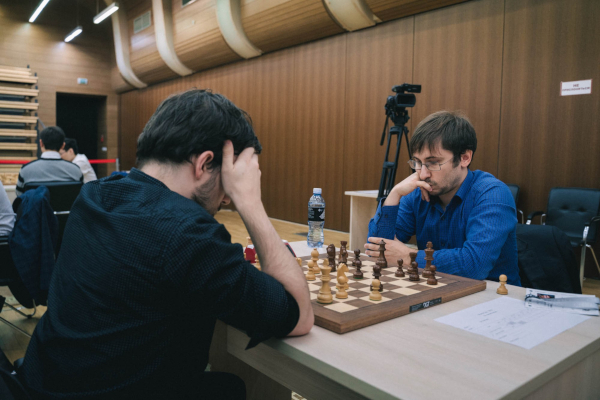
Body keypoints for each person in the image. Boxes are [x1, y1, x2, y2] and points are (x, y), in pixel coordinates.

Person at [20, 90, 314, 399]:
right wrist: (251, 202)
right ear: (204, 164)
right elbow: (298, 314)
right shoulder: (187, 232)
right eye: (229, 182)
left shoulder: (93, 196)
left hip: (41, 383)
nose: (227, 198)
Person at [366, 111, 520, 285]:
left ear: (464, 158)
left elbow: (474, 265)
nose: (422, 174)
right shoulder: (418, 193)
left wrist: (408, 257)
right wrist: (394, 195)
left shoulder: (493, 194)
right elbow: (376, 250)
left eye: (433, 163)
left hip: (493, 299)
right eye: (417, 162)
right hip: (438, 290)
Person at [16, 127, 83, 196]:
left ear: (41, 143)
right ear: (63, 145)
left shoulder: (26, 170)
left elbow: (19, 196)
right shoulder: (76, 171)